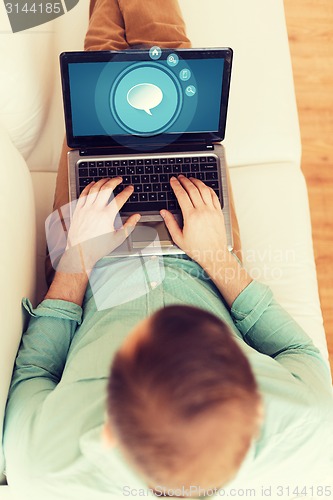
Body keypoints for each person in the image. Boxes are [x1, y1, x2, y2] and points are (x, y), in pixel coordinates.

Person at [4, 1, 333, 499]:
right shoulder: (310, 425)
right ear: (258, 407)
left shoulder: (40, 460)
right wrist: (215, 255)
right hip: (208, 259)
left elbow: (35, 372)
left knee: (101, 87)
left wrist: (77, 260)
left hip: (90, 268)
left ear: (109, 432)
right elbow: (296, 351)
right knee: (171, 78)